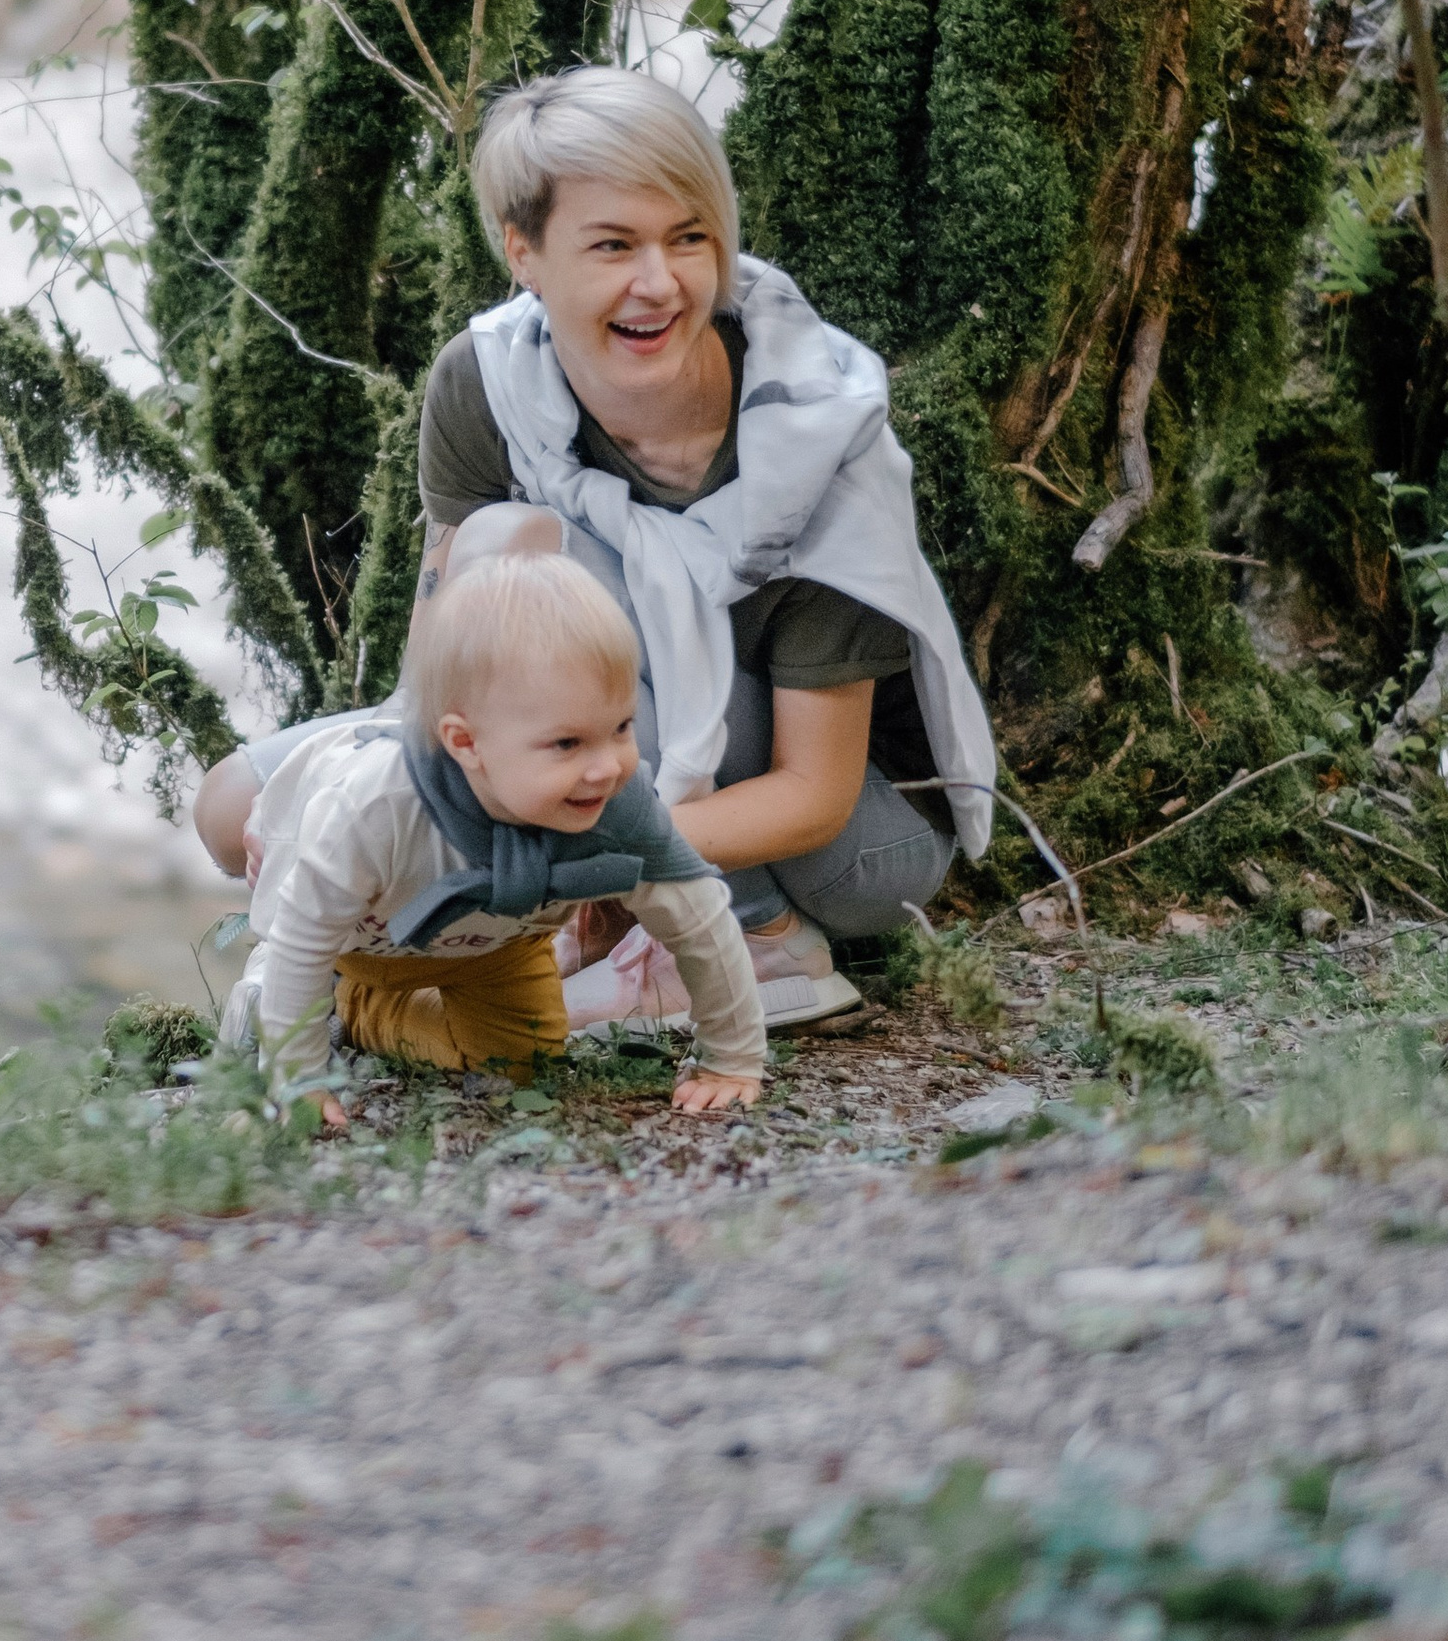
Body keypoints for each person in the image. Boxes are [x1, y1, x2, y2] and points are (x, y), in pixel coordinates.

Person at [197, 63, 993, 1033]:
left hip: (854, 846)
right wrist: (374, 823)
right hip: (597, 766)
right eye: (613, 245)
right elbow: (443, 671)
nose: (658, 284)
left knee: (552, 562)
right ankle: (545, 938)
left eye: (688, 239)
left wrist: (534, 865)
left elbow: (814, 798)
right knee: (239, 802)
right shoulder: (486, 382)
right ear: (523, 252)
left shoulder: (813, 434)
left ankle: (761, 941)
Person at [220, 550, 764, 1111]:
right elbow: (302, 939)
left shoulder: (618, 805)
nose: (608, 767)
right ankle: (279, 999)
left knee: (519, 1065)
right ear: (465, 743)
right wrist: (299, 1077)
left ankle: (358, 1011)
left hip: (493, 947)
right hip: (351, 938)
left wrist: (731, 1057)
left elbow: (700, 921)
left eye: (621, 727)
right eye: (567, 743)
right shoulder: (376, 809)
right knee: (300, 961)